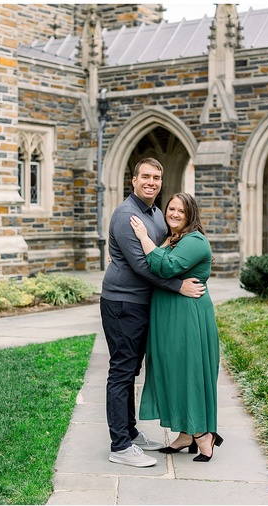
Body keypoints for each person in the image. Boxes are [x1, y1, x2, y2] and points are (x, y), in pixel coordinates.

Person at [101, 157, 205, 468]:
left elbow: (164, 252)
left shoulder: (156, 213)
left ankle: (129, 432)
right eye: (145, 176)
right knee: (121, 372)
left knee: (131, 370)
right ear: (133, 180)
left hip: (142, 303)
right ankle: (119, 445)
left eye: (156, 177)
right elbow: (144, 265)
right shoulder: (125, 215)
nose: (151, 182)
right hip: (123, 303)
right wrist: (178, 287)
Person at [130, 192, 223, 462]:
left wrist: (143, 238)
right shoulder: (172, 238)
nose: (174, 214)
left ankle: (204, 435)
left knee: (190, 371)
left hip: (188, 316)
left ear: (190, 214)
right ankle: (185, 433)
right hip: (168, 314)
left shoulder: (195, 241)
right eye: (171, 208)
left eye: (181, 210)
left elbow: (166, 267)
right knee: (171, 369)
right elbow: (151, 264)